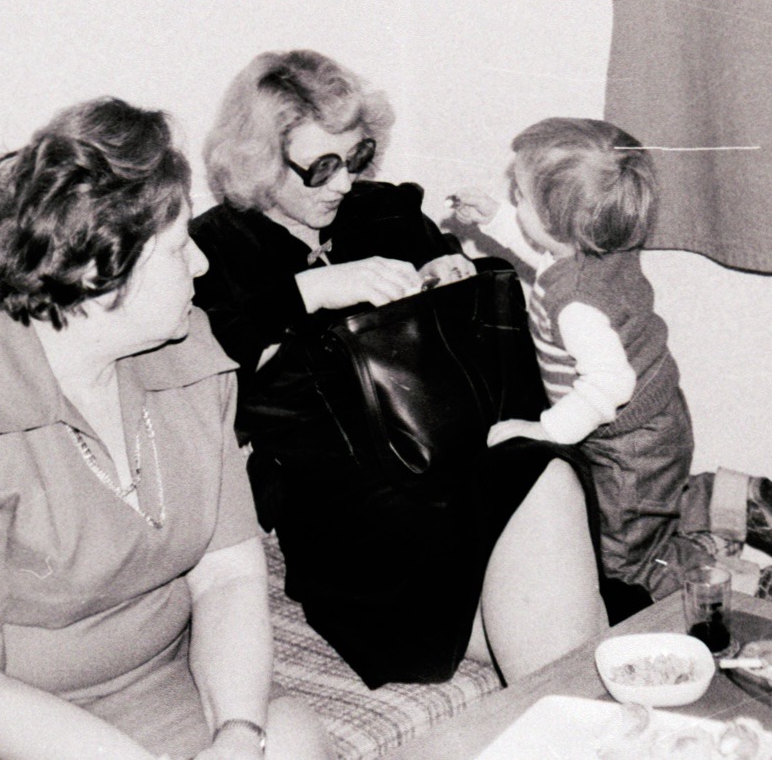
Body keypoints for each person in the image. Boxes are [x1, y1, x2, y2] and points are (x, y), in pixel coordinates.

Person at [0, 97, 330, 760]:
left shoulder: (187, 347)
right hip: (13, 729)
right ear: (98, 272)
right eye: (179, 248)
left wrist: (236, 732)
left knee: (292, 742)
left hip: (162, 687)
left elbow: (227, 576)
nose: (201, 266)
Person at [190, 50, 605, 689]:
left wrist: (450, 274)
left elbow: (468, 324)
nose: (342, 184)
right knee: (562, 594)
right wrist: (312, 291)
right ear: (262, 160)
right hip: (352, 521)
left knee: (543, 467)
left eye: (354, 157)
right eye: (320, 166)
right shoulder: (214, 249)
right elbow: (216, 366)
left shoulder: (384, 212)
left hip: (452, 461)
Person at [451, 117, 772, 601]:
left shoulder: (577, 303)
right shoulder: (599, 254)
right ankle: (727, 500)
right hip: (657, 423)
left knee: (625, 559)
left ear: (554, 219)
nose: (514, 201)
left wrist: (547, 430)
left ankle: (746, 590)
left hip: (625, 442)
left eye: (519, 195)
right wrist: (497, 218)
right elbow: (546, 259)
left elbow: (609, 385)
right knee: (647, 505)